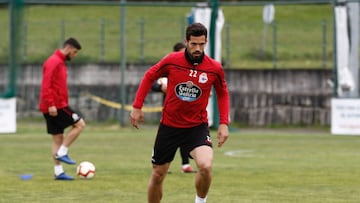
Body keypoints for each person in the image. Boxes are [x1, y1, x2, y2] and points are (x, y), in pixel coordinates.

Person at [130, 22, 230, 203]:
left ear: (206, 42)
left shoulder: (214, 68)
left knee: (206, 166)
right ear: (186, 41)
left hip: (196, 127)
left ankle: (200, 201)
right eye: (194, 44)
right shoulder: (172, 61)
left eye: (201, 44)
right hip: (169, 127)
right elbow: (149, 76)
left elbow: (223, 94)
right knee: (158, 175)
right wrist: (137, 106)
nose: (198, 48)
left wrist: (224, 123)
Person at [39, 37, 86, 180]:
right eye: (75, 52)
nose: (75, 55)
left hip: (52, 105)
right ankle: (63, 152)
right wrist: (51, 103)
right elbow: (46, 84)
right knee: (79, 124)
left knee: (57, 138)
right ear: (69, 48)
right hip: (56, 106)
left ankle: (58, 172)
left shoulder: (59, 62)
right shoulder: (54, 61)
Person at [151, 42, 196, 173]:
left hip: (187, 110)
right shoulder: (169, 66)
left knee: (185, 137)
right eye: (182, 51)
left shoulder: (191, 68)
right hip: (169, 111)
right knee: (165, 139)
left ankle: (185, 165)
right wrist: (161, 87)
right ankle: (159, 162)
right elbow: (153, 82)